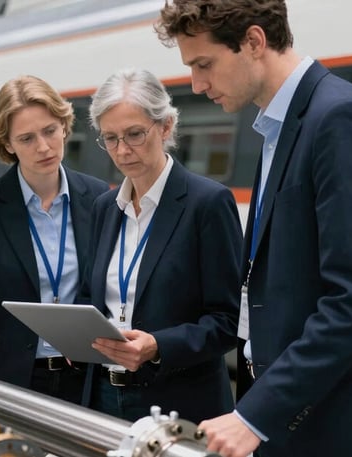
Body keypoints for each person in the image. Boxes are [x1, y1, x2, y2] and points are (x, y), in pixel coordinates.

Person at [155, 2, 352, 456]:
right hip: (303, 419)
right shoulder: (281, 127)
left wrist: (255, 414)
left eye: (204, 64)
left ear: (254, 42)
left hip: (343, 427)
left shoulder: (339, 120)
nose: (197, 84)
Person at [82, 68, 241, 423]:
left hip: (179, 402)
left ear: (166, 126)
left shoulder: (208, 203)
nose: (122, 151)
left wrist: (157, 346)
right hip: (104, 396)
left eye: (135, 134)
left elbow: (228, 321)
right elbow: (92, 298)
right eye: (110, 138)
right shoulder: (105, 208)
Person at [0, 75, 109, 403]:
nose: (43, 147)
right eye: (27, 138)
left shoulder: (99, 197)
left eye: (49, 131)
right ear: (8, 145)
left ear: (64, 126)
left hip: (86, 376)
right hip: (13, 378)